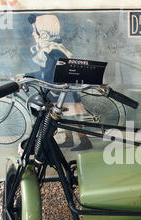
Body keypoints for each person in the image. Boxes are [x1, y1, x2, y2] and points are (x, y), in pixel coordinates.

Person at [26, 14, 92, 151]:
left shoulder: (54, 52)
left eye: (35, 31)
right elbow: (46, 73)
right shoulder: (52, 49)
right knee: (64, 117)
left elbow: (50, 74)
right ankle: (69, 139)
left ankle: (84, 140)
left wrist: (31, 76)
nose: (33, 34)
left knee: (72, 119)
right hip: (58, 90)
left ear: (44, 34)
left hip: (61, 92)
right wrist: (29, 75)